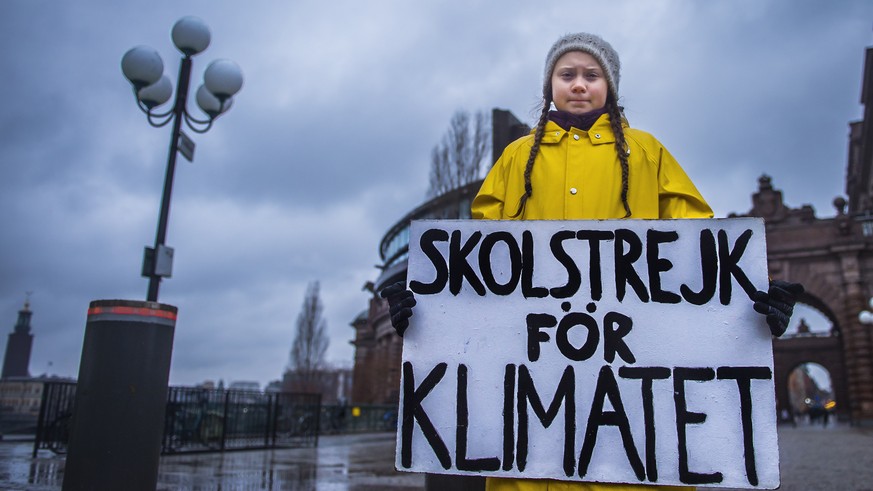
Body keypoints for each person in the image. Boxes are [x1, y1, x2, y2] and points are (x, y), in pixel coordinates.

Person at [382, 32, 803, 491]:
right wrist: (430, 310)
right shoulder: (515, 159)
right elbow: (479, 271)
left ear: (611, 86)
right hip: (529, 450)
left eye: (592, 74)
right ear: (549, 87)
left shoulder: (648, 153)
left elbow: (695, 254)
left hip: (635, 442)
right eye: (567, 74)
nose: (579, 84)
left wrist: (747, 304)